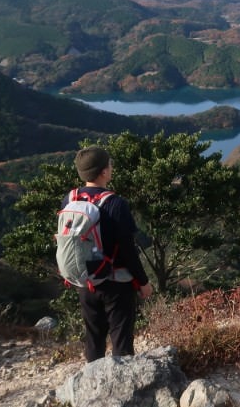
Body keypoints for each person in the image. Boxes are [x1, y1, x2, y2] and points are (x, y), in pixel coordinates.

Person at [69, 146, 153, 362]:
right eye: (110, 164)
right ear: (104, 172)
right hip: (116, 284)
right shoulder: (116, 204)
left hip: (85, 282)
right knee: (121, 339)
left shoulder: (71, 200)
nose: (111, 167)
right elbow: (128, 250)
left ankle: (92, 384)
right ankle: (123, 388)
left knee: (93, 338)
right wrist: (142, 282)